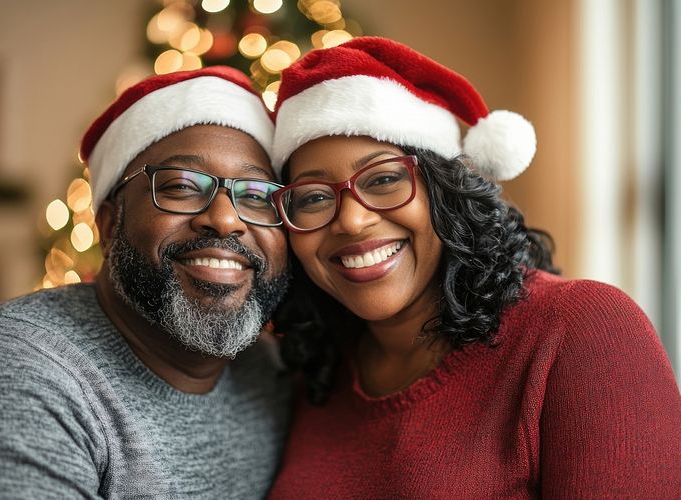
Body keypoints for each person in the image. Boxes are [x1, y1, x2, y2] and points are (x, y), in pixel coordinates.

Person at [265, 37, 681, 498]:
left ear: (447, 191)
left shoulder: (583, 330)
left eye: (383, 178)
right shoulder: (315, 367)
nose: (351, 220)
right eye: (314, 197)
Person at [0, 66, 292, 499]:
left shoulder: (276, 375)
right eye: (180, 187)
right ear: (108, 222)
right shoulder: (10, 375)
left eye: (256, 196)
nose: (225, 219)